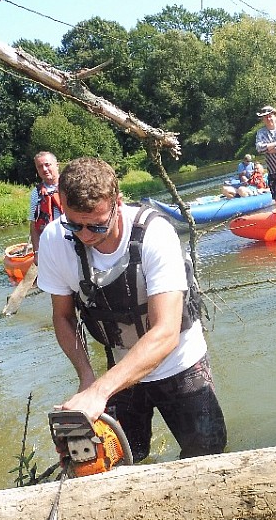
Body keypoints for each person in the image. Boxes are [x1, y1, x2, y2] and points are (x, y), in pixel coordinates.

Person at [36, 157, 228, 462]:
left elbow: (166, 333)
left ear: (118, 203)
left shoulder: (155, 234)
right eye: (75, 225)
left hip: (181, 363)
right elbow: (62, 317)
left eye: (97, 225)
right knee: (116, 461)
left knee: (207, 456)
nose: (85, 236)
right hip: (120, 368)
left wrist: (99, 392)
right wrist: (87, 378)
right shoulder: (54, 240)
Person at [28, 151, 63, 264]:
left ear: (56, 165)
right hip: (51, 245)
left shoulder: (71, 185)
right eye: (40, 167)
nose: (44, 169)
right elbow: (34, 225)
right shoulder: (36, 193)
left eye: (47, 164)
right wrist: (37, 253)